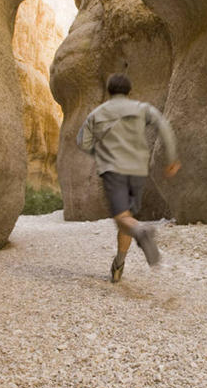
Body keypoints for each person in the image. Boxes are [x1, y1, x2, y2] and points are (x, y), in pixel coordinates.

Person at [77, 73, 181, 283]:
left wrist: (100, 154)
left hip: (113, 169)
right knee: (127, 217)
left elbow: (83, 142)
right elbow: (164, 127)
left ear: (109, 91)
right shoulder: (142, 108)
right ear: (128, 91)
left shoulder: (97, 114)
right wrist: (171, 158)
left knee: (122, 218)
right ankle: (118, 264)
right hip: (138, 170)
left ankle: (141, 231)